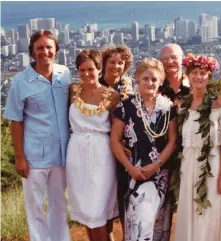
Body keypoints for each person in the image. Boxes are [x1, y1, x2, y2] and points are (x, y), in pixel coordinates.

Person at [4, 30, 71, 241]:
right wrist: (20, 156)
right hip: (34, 157)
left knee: (59, 205)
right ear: (32, 51)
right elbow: (16, 121)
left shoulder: (65, 74)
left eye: (49, 47)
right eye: (40, 48)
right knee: (35, 208)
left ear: (56, 50)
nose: (45, 51)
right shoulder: (20, 82)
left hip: (62, 155)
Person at [110, 58, 177, 241]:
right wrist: (130, 168)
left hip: (161, 174)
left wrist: (156, 165)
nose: (150, 83)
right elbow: (115, 141)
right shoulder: (126, 106)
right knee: (138, 228)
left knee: (158, 226)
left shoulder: (168, 107)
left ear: (161, 82)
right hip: (134, 174)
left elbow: (172, 141)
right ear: (137, 79)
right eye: (146, 78)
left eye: (155, 79)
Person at [174, 53, 221, 241]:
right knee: (189, 208)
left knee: (209, 211)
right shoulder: (183, 103)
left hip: (212, 166)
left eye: (202, 73)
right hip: (188, 164)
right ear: (187, 75)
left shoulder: (219, 103)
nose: (198, 77)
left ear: (209, 76)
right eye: (194, 73)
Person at [66, 50, 120, 241]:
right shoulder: (72, 90)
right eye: (82, 70)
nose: (86, 74)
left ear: (99, 69)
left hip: (101, 154)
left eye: (91, 69)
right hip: (76, 152)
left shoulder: (112, 96)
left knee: (99, 209)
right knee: (86, 211)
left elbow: (118, 128)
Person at [153, 43, 190, 241]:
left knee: (190, 206)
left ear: (182, 59)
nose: (169, 62)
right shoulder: (154, 87)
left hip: (190, 155)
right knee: (161, 208)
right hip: (161, 154)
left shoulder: (195, 84)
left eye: (173, 57)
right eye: (165, 59)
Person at [100, 45, 134, 241]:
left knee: (123, 196)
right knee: (104, 197)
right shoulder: (94, 85)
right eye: (112, 61)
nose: (116, 66)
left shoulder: (130, 88)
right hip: (100, 149)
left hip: (124, 151)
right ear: (104, 63)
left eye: (120, 62)